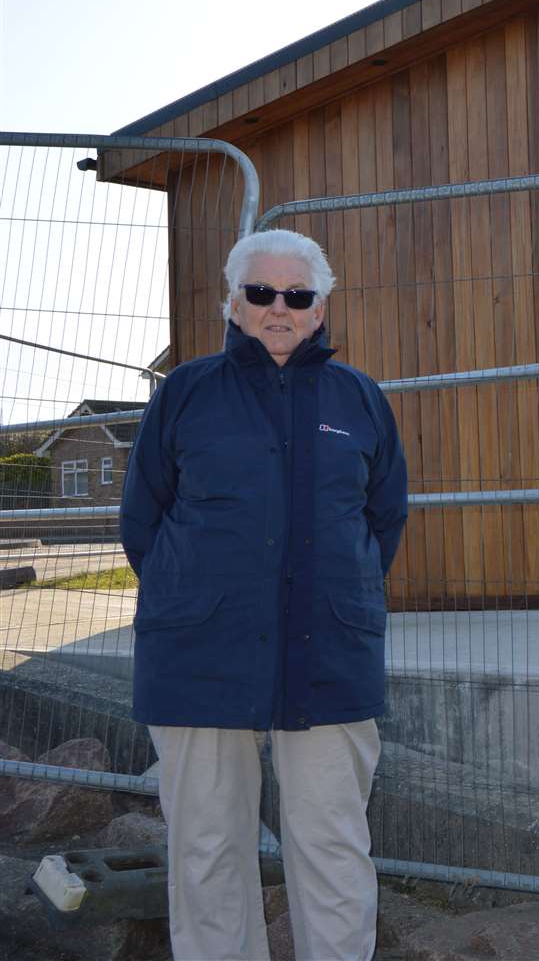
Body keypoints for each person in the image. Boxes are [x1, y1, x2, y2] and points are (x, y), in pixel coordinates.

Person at [120, 228, 409, 961]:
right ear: (234, 301)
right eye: (260, 292)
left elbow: (384, 519)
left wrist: (340, 592)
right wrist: (200, 596)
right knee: (208, 850)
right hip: (200, 657)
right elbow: (142, 522)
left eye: (297, 295)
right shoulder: (186, 393)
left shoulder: (360, 400)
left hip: (329, 659)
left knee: (334, 849)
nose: (278, 308)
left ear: (319, 310)